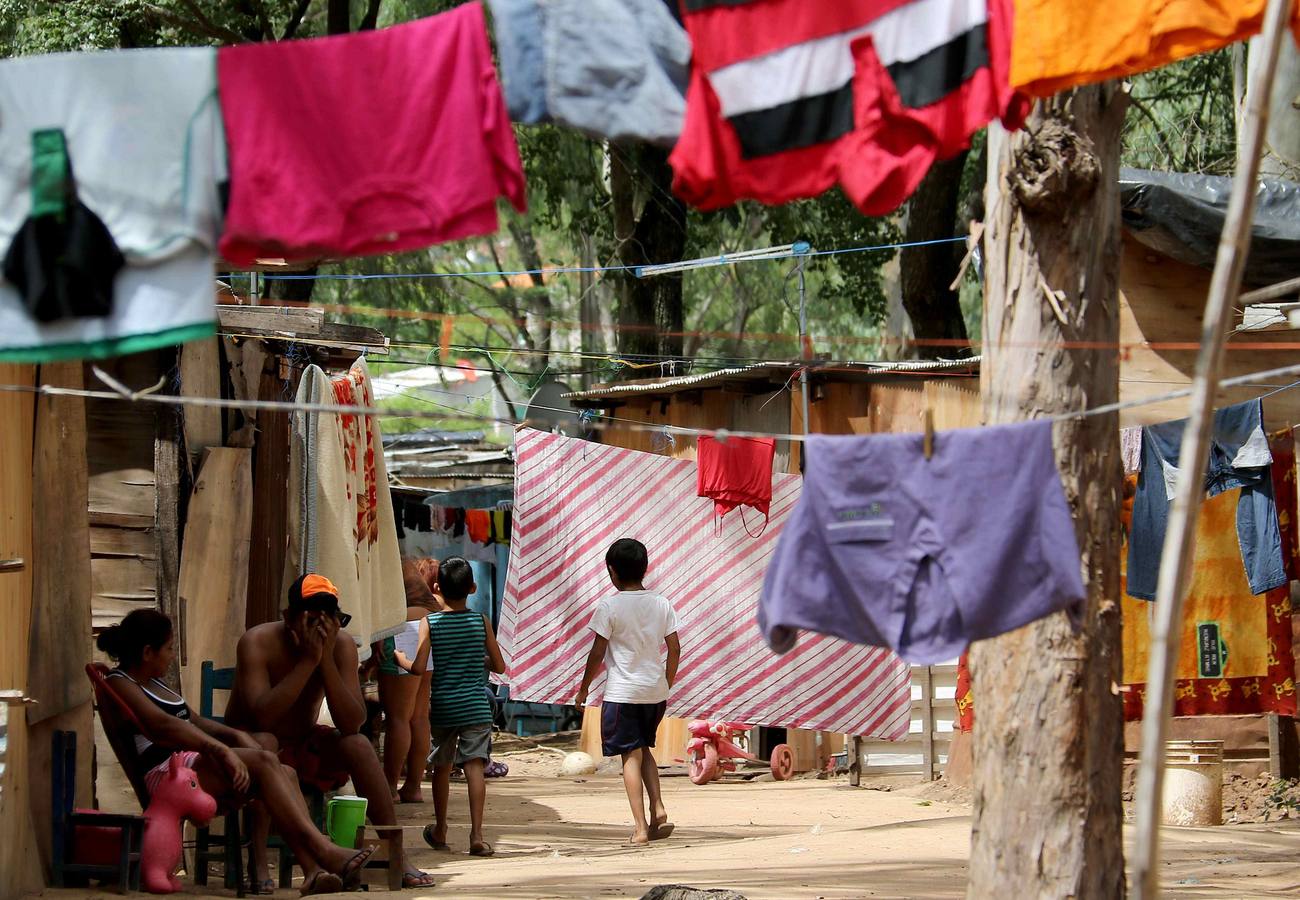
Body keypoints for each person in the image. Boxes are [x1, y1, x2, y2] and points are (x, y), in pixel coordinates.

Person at [97, 609, 373, 896]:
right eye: (168, 649)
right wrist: (221, 750)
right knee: (266, 760)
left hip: (187, 766)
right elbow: (162, 725)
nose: (171, 656)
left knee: (286, 772)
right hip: (166, 776)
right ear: (146, 652)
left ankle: (313, 871)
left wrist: (234, 736)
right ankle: (324, 849)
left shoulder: (154, 682)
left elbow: (194, 720)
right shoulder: (120, 683)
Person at [225, 573, 435, 889]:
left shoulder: (341, 644)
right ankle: (258, 860)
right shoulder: (257, 641)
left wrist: (325, 660)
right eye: (311, 617)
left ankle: (396, 851)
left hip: (304, 743)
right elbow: (263, 718)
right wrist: (307, 662)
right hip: (251, 744)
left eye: (328, 618)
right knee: (266, 742)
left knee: (359, 746)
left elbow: (352, 722)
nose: (319, 627)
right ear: (288, 618)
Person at [576, 538, 680, 845]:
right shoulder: (662, 603)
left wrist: (583, 690)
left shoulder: (609, 606)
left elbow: (596, 654)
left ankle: (639, 828)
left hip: (623, 694)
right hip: (654, 693)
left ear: (612, 571)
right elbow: (674, 648)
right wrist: (666, 682)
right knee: (643, 748)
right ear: (645, 569)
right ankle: (658, 808)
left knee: (629, 758)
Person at [419, 556, 506, 857]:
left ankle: (441, 829)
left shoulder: (429, 623)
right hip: (475, 707)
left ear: (436, 588)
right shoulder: (480, 621)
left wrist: (398, 659)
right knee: (474, 767)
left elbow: (419, 666)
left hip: (443, 706)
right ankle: (477, 835)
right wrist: (477, 659)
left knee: (441, 767)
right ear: (472, 587)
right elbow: (499, 666)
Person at [372, 558, 442, 804]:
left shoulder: (376, 552)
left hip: (404, 628)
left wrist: (379, 632)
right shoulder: (397, 557)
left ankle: (390, 787)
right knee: (419, 715)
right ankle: (413, 786)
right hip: (430, 623)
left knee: (398, 717)